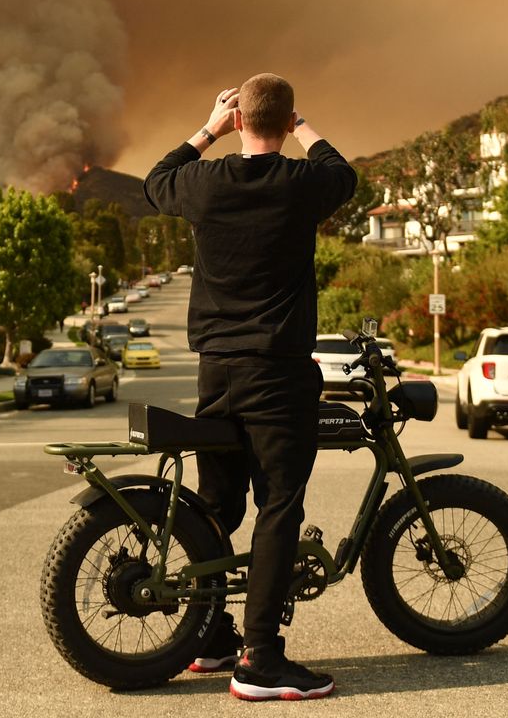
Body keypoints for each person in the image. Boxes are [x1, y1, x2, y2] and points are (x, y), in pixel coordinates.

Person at [145, 74, 356, 702]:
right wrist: (303, 127)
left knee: (218, 506)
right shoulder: (301, 184)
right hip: (277, 372)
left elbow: (155, 180)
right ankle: (260, 661)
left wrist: (207, 126)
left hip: (217, 371)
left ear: (239, 122)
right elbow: (342, 171)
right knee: (279, 507)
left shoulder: (203, 184)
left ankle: (209, 637)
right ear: (286, 120)